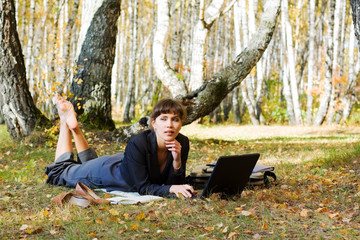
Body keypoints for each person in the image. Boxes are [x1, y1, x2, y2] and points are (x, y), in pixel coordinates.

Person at [45, 94, 196, 198]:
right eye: (164, 119)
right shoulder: (139, 142)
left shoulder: (181, 142)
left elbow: (176, 185)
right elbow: (143, 188)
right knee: (59, 172)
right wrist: (171, 188)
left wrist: (177, 162)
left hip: (125, 163)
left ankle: (75, 129)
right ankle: (65, 122)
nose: (169, 125)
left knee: (87, 163)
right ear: (154, 123)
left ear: (181, 123)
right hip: (106, 173)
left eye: (175, 119)